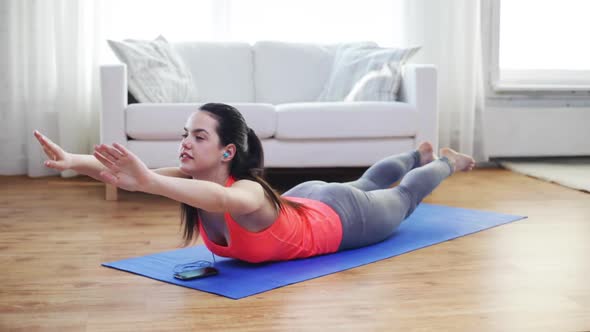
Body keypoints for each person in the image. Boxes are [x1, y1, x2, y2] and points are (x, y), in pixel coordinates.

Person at [34, 103, 475, 263]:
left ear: (228, 152)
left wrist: (148, 179)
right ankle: (416, 154)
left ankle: (447, 162)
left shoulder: (243, 191)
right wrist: (73, 160)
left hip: (342, 220)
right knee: (366, 180)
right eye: (184, 133)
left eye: (198, 136)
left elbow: (214, 196)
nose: (185, 142)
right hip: (308, 201)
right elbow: (123, 175)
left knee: (402, 195)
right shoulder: (193, 181)